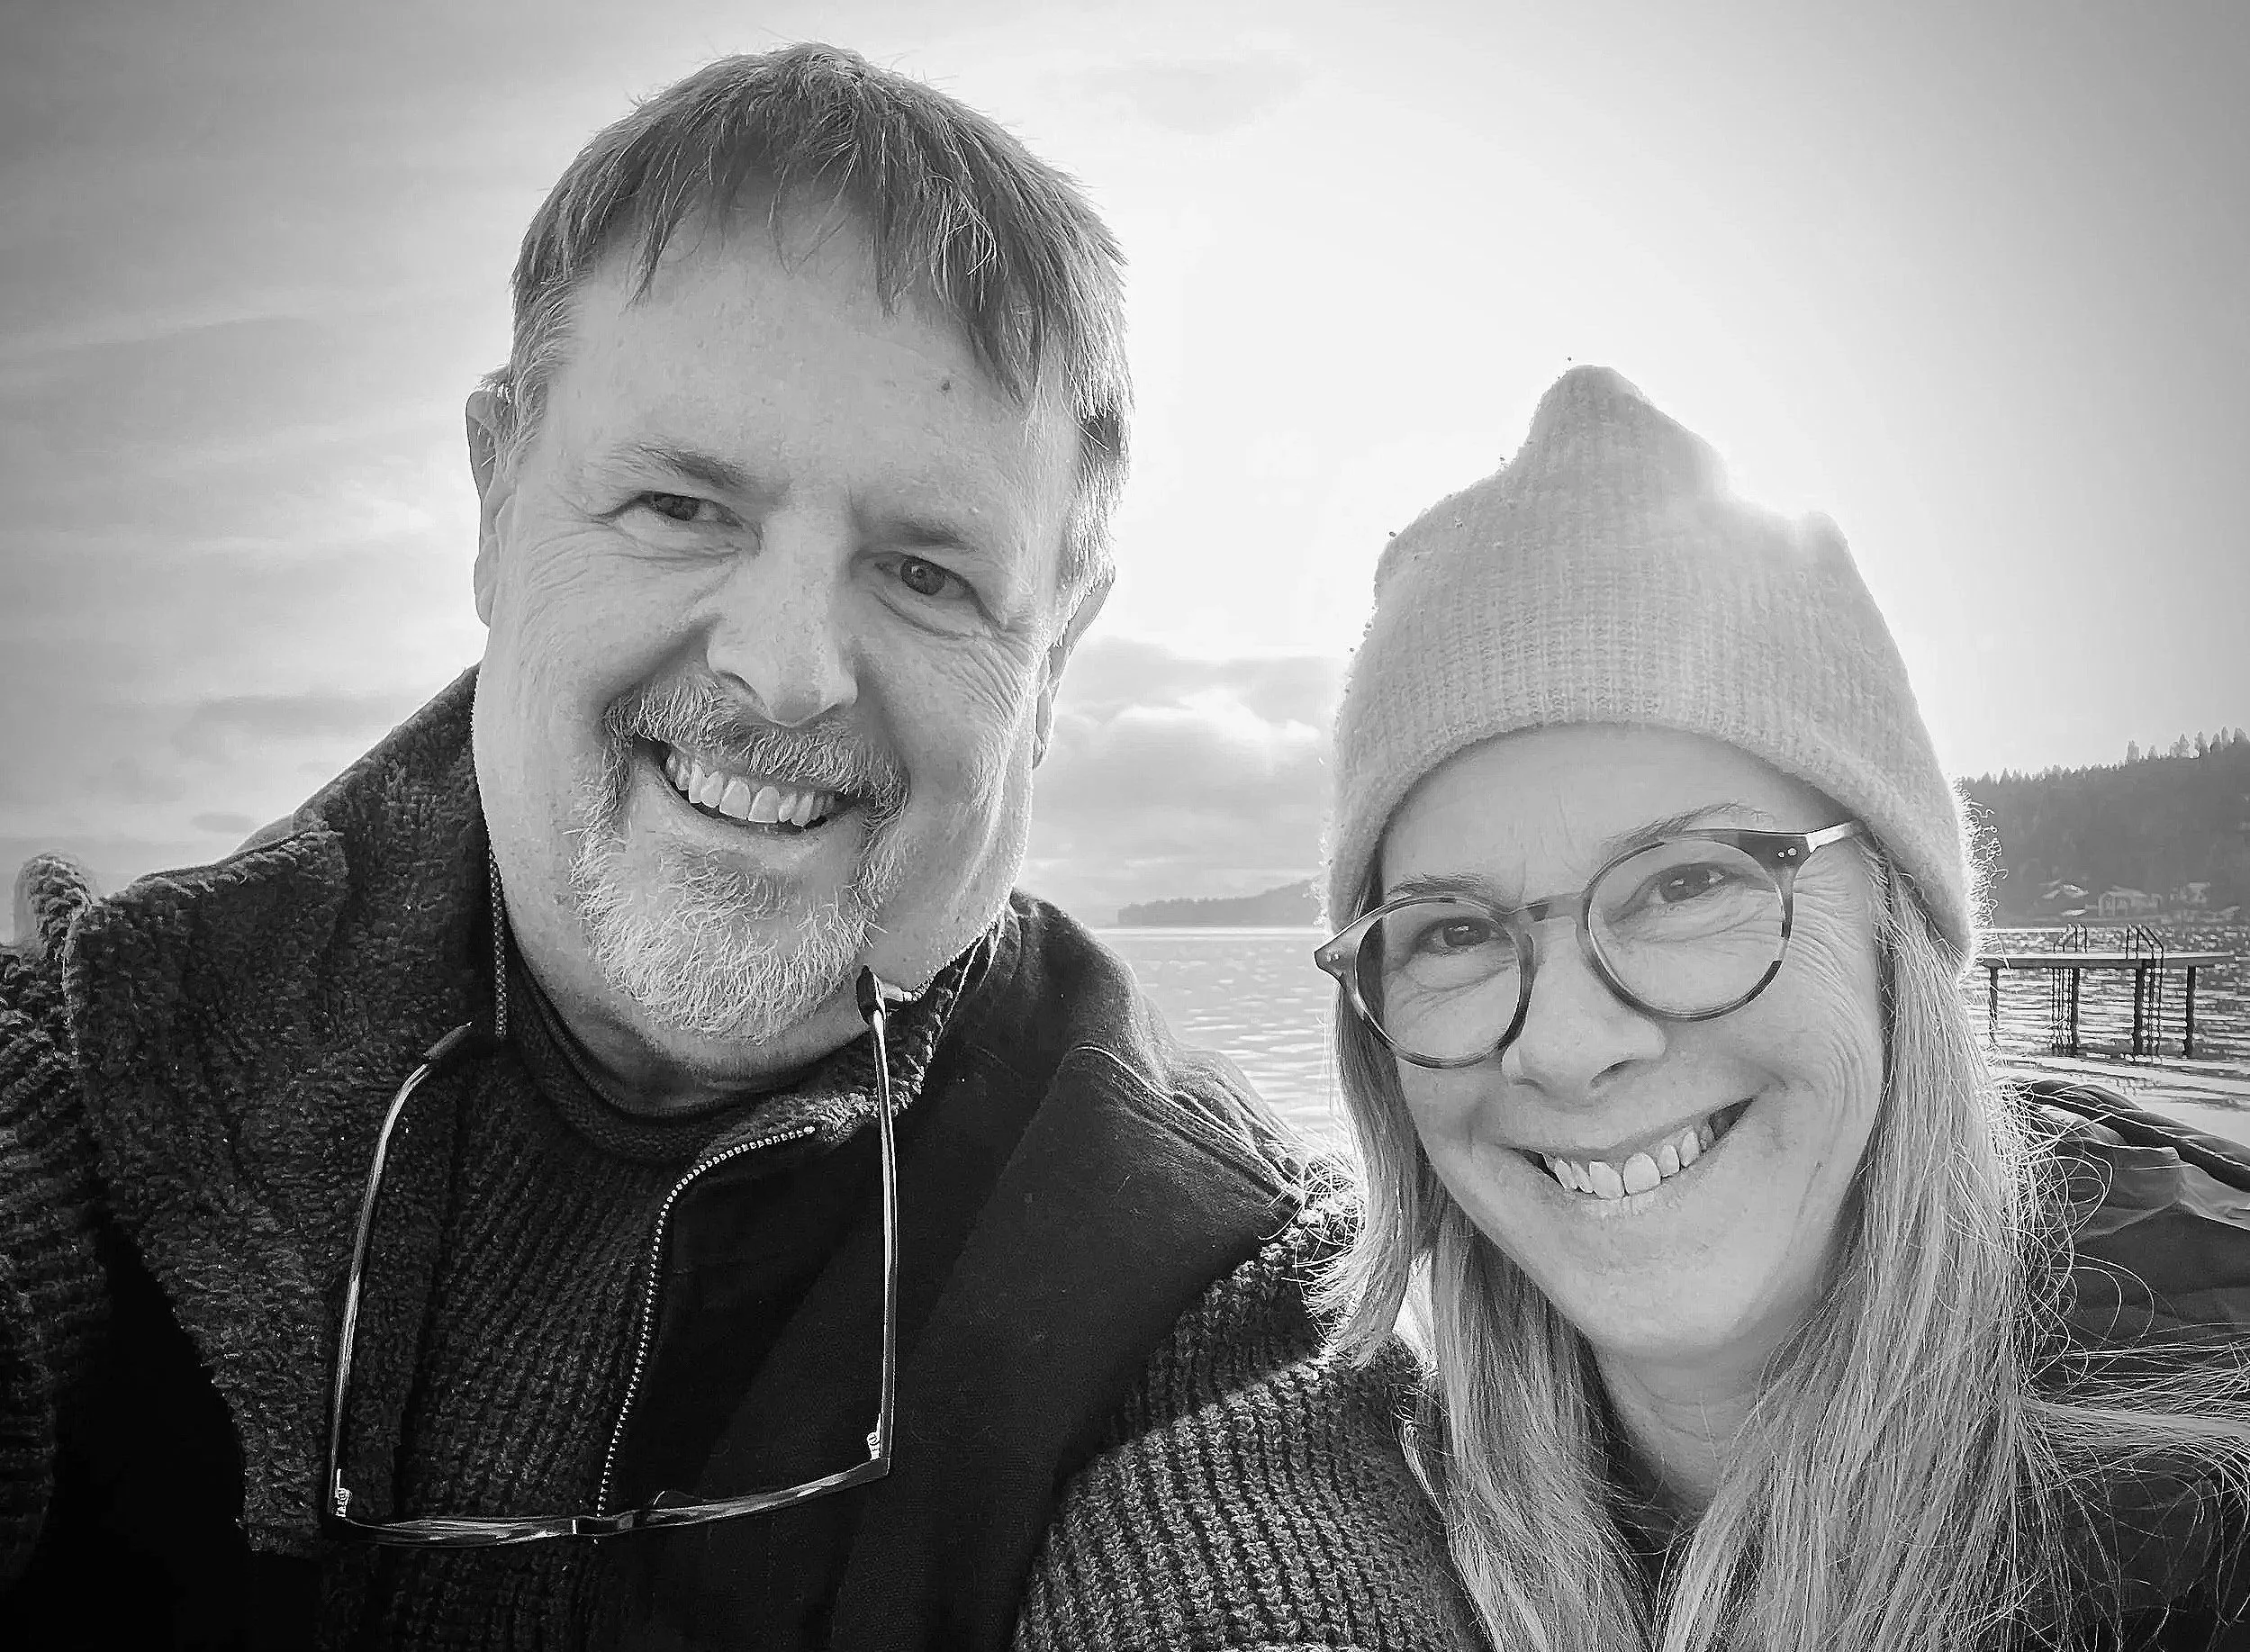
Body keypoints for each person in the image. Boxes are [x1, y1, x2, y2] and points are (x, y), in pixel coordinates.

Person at [0, 45, 1470, 1651]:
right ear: (495, 497)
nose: (786, 666)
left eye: (924, 570)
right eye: (680, 505)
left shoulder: (1212, 1293)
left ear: (1055, 657)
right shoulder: (96, 1074)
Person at [1312, 365, 2250, 1649]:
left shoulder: (2207, 1485)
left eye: (1689, 881)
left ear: (1891, 922)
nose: (1573, 1046)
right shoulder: (1352, 1487)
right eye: (1456, 930)